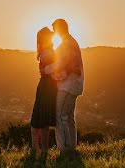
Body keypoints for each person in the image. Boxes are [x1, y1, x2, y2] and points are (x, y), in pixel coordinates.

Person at [44, 18, 84, 154]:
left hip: (67, 85)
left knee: (60, 116)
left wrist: (46, 69)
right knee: (69, 117)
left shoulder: (65, 45)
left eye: (55, 30)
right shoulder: (72, 42)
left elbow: (59, 64)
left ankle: (65, 150)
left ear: (60, 29)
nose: (54, 33)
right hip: (75, 84)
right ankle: (71, 148)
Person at [29, 27, 57, 157]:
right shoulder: (48, 53)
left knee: (37, 118)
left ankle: (35, 150)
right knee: (44, 120)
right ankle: (44, 151)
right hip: (48, 86)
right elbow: (56, 68)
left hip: (43, 86)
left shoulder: (44, 51)